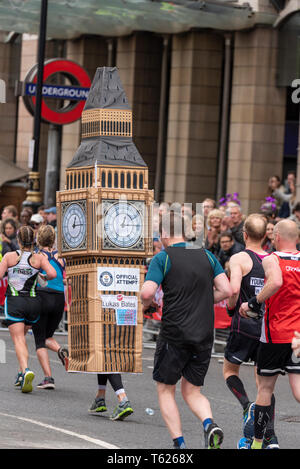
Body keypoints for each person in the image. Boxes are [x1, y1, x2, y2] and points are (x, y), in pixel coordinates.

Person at [140, 211, 232, 449]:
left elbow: (147, 293)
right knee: (192, 391)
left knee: (165, 389)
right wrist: (202, 300)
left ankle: (179, 444)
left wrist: (147, 304)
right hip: (203, 333)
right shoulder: (207, 254)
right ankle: (209, 423)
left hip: (175, 333)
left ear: (164, 233)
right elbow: (226, 290)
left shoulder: (163, 257)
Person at [239, 219, 300, 450]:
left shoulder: (273, 259)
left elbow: (275, 281)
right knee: (298, 391)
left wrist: (253, 304)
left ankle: (256, 443)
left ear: (277, 236)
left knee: (265, 389)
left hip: (275, 334)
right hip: (297, 336)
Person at [223, 214, 278, 449]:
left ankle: (247, 406)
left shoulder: (239, 258)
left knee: (229, 370)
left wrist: (230, 306)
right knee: (264, 385)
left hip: (243, 324)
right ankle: (270, 437)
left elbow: (234, 289)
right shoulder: (272, 260)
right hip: (266, 327)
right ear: (266, 235)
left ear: (244, 234)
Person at [0, 226, 56, 393]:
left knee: (18, 340)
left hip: (15, 301)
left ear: (18, 240)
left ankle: (25, 371)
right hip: (33, 303)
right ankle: (20, 372)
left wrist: (10, 272)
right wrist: (42, 276)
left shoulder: (10, 256)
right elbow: (52, 274)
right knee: (22, 338)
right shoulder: (38, 258)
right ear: (33, 240)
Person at [31, 225, 69, 389]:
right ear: (54, 239)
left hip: (42, 296)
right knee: (48, 336)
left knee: (40, 340)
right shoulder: (62, 257)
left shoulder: (37, 256)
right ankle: (61, 351)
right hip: (59, 299)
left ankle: (48, 378)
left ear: (38, 239)